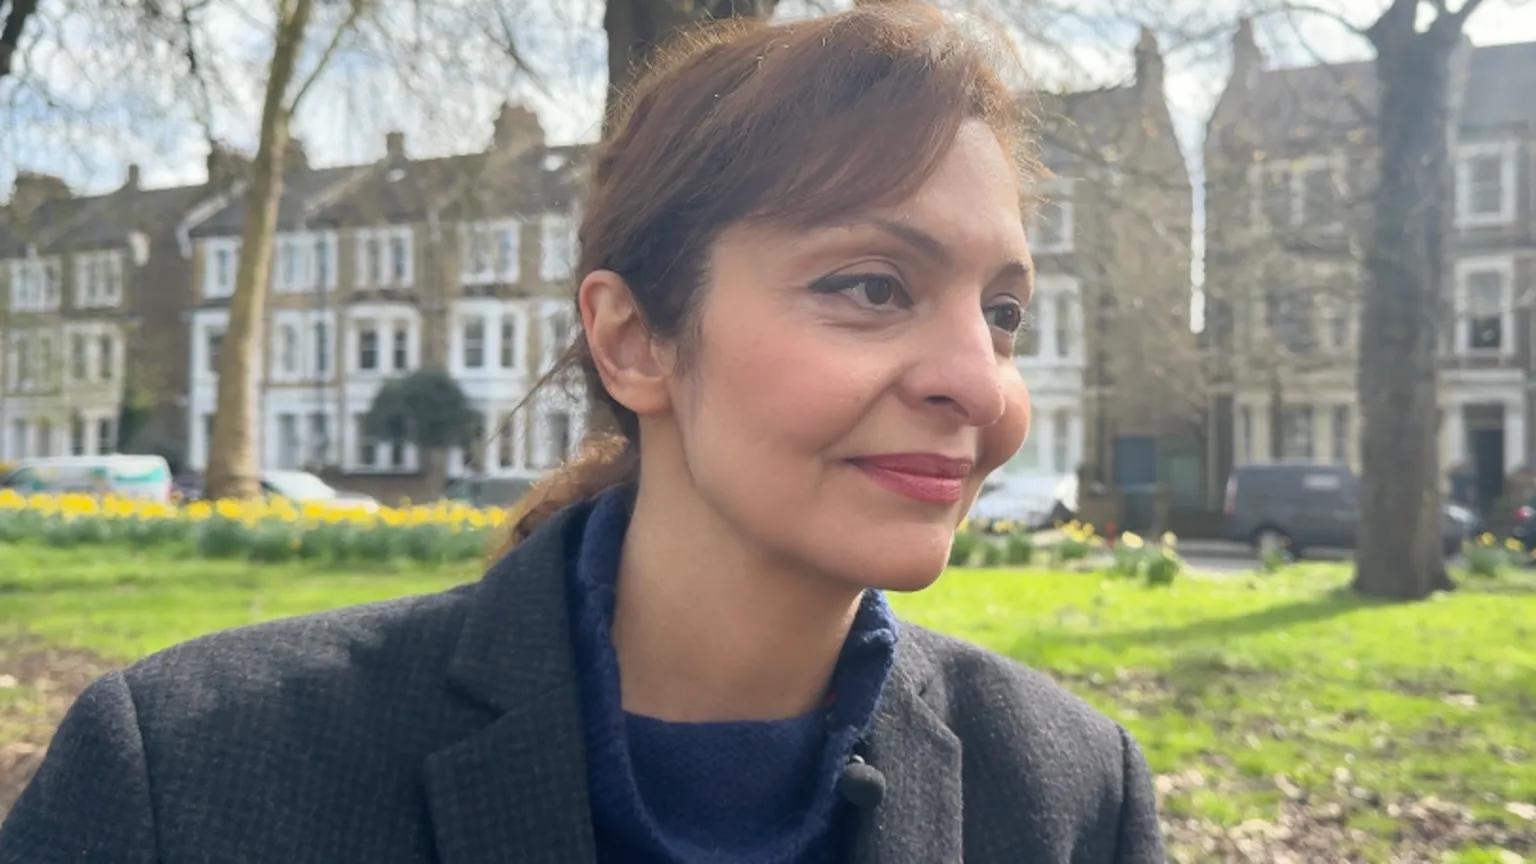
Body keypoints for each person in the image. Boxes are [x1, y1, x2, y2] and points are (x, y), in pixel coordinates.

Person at [0, 3, 1165, 862]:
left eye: (1001, 312)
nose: (981, 384)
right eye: (871, 285)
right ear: (635, 340)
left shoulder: (1072, 797)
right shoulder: (188, 775)